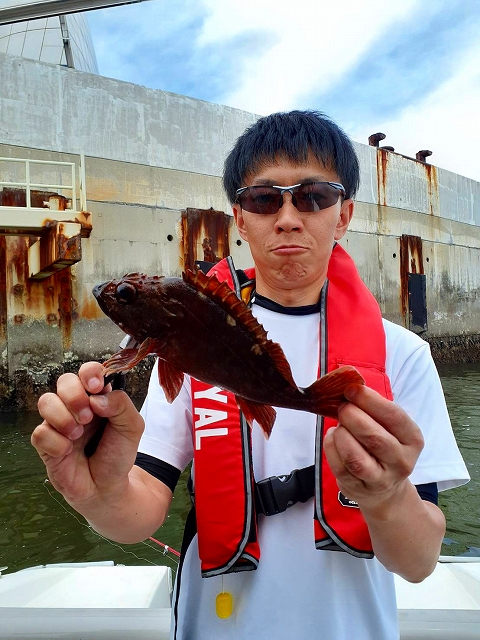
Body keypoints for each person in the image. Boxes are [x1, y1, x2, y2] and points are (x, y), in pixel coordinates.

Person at [32, 110, 469, 640]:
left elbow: (420, 562)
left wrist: (386, 498)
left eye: (313, 196)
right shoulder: (186, 350)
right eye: (264, 199)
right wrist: (96, 495)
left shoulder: (402, 355)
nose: (288, 217)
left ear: (345, 213)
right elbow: (140, 508)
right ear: (240, 218)